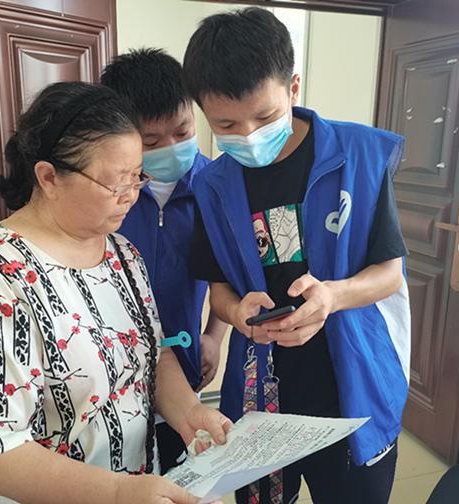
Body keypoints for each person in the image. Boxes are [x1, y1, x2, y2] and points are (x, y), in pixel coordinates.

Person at [0, 82, 230, 504]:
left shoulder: (121, 254)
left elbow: (153, 354)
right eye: (116, 184)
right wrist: (117, 492)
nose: (131, 197)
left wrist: (189, 412)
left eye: (137, 177)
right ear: (49, 177)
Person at [182, 8, 411, 503]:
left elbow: (389, 273)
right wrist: (236, 314)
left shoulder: (359, 155)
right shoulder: (213, 185)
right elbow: (218, 288)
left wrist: (332, 296)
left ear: (293, 88)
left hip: (352, 386)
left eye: (265, 117)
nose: (248, 135)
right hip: (260, 394)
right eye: (226, 124)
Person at [101, 48, 228, 473]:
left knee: (178, 474)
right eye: (152, 142)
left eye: (182, 131)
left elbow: (229, 274)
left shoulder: (216, 187)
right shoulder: (107, 196)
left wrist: (214, 336)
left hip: (184, 367)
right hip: (112, 377)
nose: (171, 149)